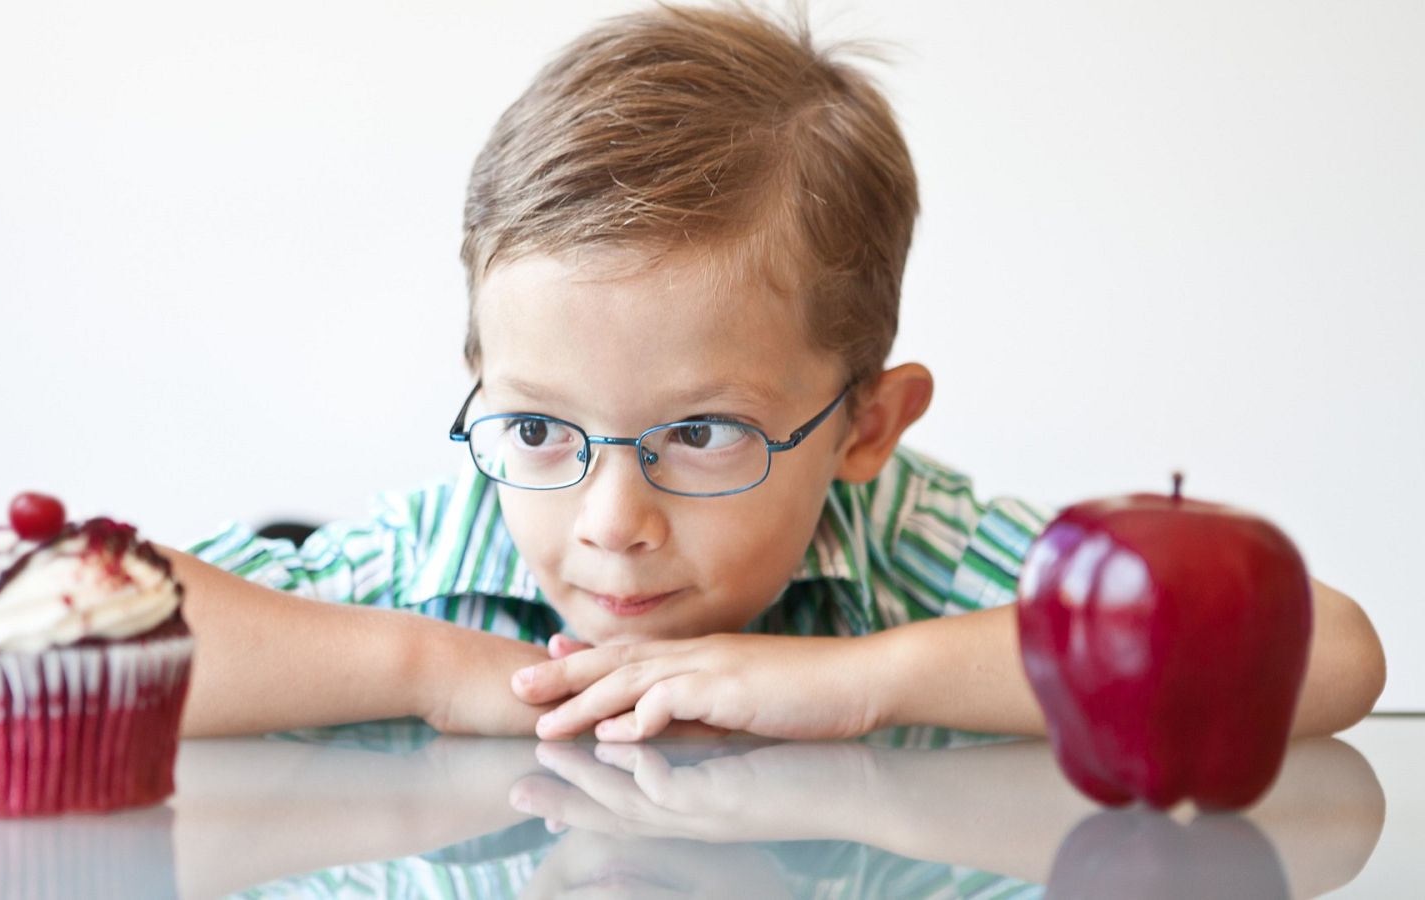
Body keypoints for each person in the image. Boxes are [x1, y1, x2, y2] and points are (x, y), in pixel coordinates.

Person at [168, 3, 1386, 741]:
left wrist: (863, 682)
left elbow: (1328, 656)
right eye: (538, 430)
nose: (609, 525)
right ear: (483, 389)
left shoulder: (911, 545)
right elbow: (32, 627)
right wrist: (434, 672)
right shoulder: (437, 561)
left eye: (699, 434)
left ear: (865, 426)